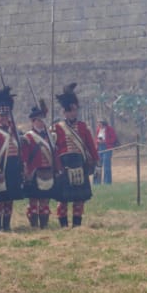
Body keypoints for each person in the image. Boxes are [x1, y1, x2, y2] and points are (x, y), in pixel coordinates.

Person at [52, 83, 98, 228]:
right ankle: (63, 225)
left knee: (79, 198)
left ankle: (77, 225)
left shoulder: (83, 127)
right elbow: (55, 149)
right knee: (63, 198)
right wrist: (57, 167)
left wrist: (96, 162)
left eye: (74, 110)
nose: (73, 113)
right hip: (64, 164)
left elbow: (90, 146)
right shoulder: (57, 128)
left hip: (80, 162)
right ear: (64, 112)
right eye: (70, 111)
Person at [0, 87, 25, 232]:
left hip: (13, 166)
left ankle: (7, 225)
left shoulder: (13, 130)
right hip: (1, 166)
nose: (3, 118)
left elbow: (20, 149)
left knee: (10, 198)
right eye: (1, 115)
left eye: (6, 115)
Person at [20, 101, 55, 228]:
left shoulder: (49, 136)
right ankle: (34, 225)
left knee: (45, 201)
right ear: (33, 121)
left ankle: (44, 225)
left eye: (42, 120)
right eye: (38, 120)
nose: (41, 122)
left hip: (48, 171)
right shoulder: (28, 137)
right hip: (34, 171)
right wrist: (25, 169)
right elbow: (24, 156)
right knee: (34, 201)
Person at [95, 119, 118, 185]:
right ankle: (96, 182)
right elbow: (96, 138)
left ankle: (107, 182)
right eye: (98, 123)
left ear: (103, 123)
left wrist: (105, 141)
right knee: (98, 165)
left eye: (99, 123)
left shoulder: (110, 129)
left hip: (107, 147)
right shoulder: (98, 129)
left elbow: (114, 138)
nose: (98, 124)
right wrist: (97, 142)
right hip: (99, 147)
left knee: (106, 165)